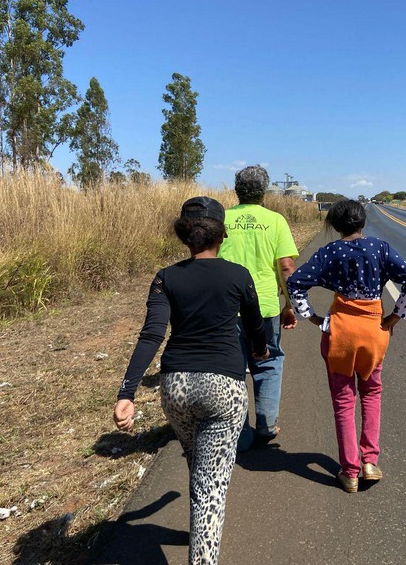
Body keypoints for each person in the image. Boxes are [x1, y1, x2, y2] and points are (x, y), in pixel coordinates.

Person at [113, 196, 268, 565]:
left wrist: (127, 393)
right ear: (222, 234)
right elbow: (255, 325)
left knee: (197, 461)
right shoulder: (238, 275)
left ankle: (200, 525)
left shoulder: (166, 277)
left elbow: (152, 335)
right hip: (223, 388)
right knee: (211, 486)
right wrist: (261, 350)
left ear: (185, 236)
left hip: (176, 388)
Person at [286, 200, 406, 492]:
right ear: (363, 222)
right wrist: (394, 317)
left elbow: (295, 283)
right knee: (371, 392)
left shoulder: (329, 252)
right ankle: (370, 462)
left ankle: (349, 472)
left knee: (343, 400)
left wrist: (313, 318)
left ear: (335, 225)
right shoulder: (380, 249)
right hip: (373, 330)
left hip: (340, 331)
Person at [218, 165, 299, 449]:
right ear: (264, 192)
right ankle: (266, 425)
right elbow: (286, 267)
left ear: (236, 190)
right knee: (269, 362)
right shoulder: (275, 221)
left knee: (232, 369)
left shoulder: (222, 219)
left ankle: (240, 435)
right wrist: (289, 304)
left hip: (227, 308)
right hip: (264, 306)